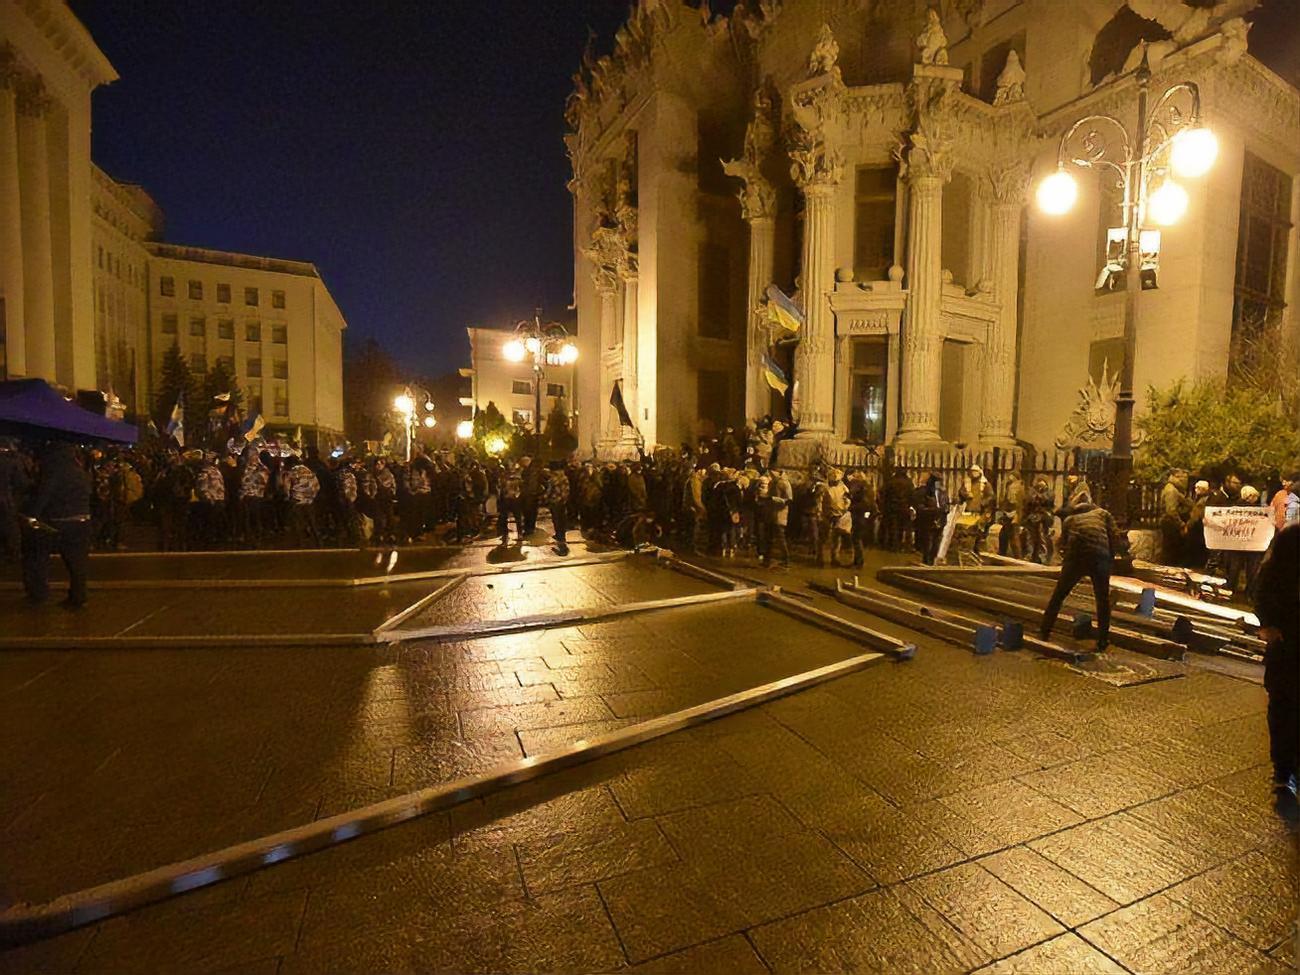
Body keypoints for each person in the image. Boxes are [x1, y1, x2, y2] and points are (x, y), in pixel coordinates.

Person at [1038, 499, 1121, 653]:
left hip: (1077, 557)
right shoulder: (1103, 514)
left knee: (1059, 595)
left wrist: (1066, 560)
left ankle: (1044, 631)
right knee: (1102, 600)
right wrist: (1110, 558)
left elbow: (1063, 543)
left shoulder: (1070, 519)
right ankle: (1103, 640)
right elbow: (1115, 536)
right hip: (1099, 557)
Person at [1254, 523, 1298, 811]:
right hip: (1289, 644)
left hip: (1283, 646)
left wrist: (1270, 624)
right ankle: (1286, 768)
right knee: (1286, 706)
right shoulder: (1290, 546)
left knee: (1282, 706)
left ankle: (1283, 769)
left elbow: (1260, 592)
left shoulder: (1274, 565)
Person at [21, 442, 93, 608]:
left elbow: (43, 496)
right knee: (77, 563)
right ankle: (78, 596)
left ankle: (38, 593)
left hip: (59, 521)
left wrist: (31, 515)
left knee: (37, 554)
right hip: (82, 520)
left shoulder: (54, 471)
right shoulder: (79, 471)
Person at [912, 472, 949, 566]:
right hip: (928, 521)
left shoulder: (942, 493)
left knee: (936, 543)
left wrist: (943, 511)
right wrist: (931, 511)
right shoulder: (923, 492)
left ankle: (932, 561)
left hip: (939, 521)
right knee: (927, 542)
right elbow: (919, 506)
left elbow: (946, 505)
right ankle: (926, 561)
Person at [1158, 470, 1190, 567]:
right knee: (1170, 550)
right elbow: (1171, 511)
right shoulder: (1172, 491)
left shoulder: (1174, 489)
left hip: (1171, 523)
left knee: (1171, 549)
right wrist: (1181, 524)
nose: (1186, 481)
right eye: (1184, 478)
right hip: (1171, 524)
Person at [544, 462, 571, 556]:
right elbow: (567, 490)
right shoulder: (565, 477)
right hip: (562, 501)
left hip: (555, 501)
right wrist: (564, 499)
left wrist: (546, 497)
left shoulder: (553, 479)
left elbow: (549, 490)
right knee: (562, 519)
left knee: (556, 519)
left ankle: (559, 536)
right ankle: (562, 536)